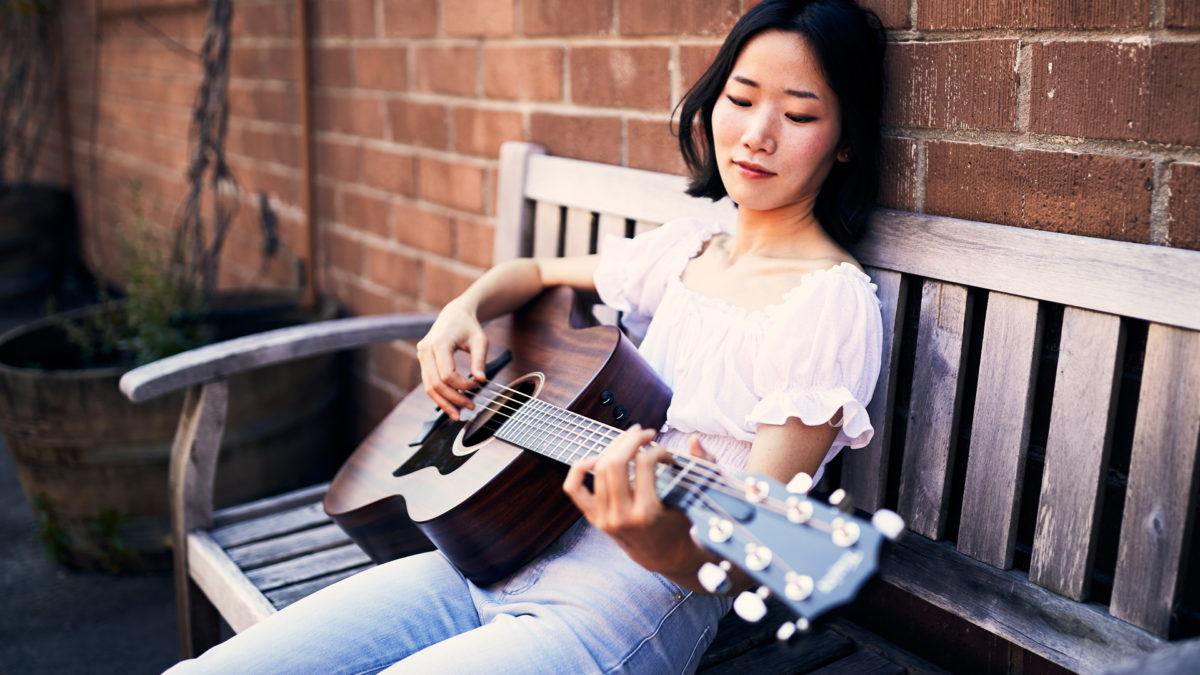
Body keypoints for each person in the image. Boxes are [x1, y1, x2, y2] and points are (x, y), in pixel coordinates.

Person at [164, 1, 886, 672]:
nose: (758, 133)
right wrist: (463, 309)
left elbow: (754, 550)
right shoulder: (685, 252)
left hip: (625, 602)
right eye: (741, 98)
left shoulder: (828, 302)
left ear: (845, 140)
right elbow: (533, 270)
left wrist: (663, 544)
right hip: (500, 544)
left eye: (797, 114)